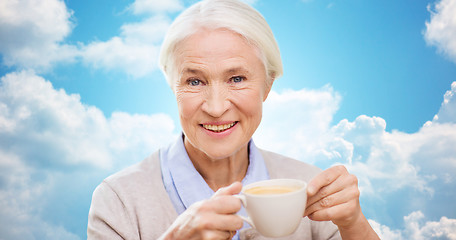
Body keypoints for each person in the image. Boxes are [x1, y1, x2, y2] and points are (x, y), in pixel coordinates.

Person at [87, 0, 380, 239]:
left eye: (237, 78)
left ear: (268, 85)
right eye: (194, 82)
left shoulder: (308, 188)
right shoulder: (118, 200)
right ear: (172, 87)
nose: (215, 108)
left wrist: (354, 224)